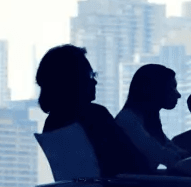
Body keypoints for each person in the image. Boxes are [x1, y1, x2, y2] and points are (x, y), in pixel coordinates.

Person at [35, 45, 150, 176]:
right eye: (90, 75)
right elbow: (136, 164)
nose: (94, 82)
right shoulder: (95, 115)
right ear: (72, 80)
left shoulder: (52, 123)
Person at [115, 63, 184, 168]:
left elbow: (171, 149)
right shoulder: (127, 119)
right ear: (153, 90)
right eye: (171, 88)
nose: (178, 95)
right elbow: (160, 154)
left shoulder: (148, 121)